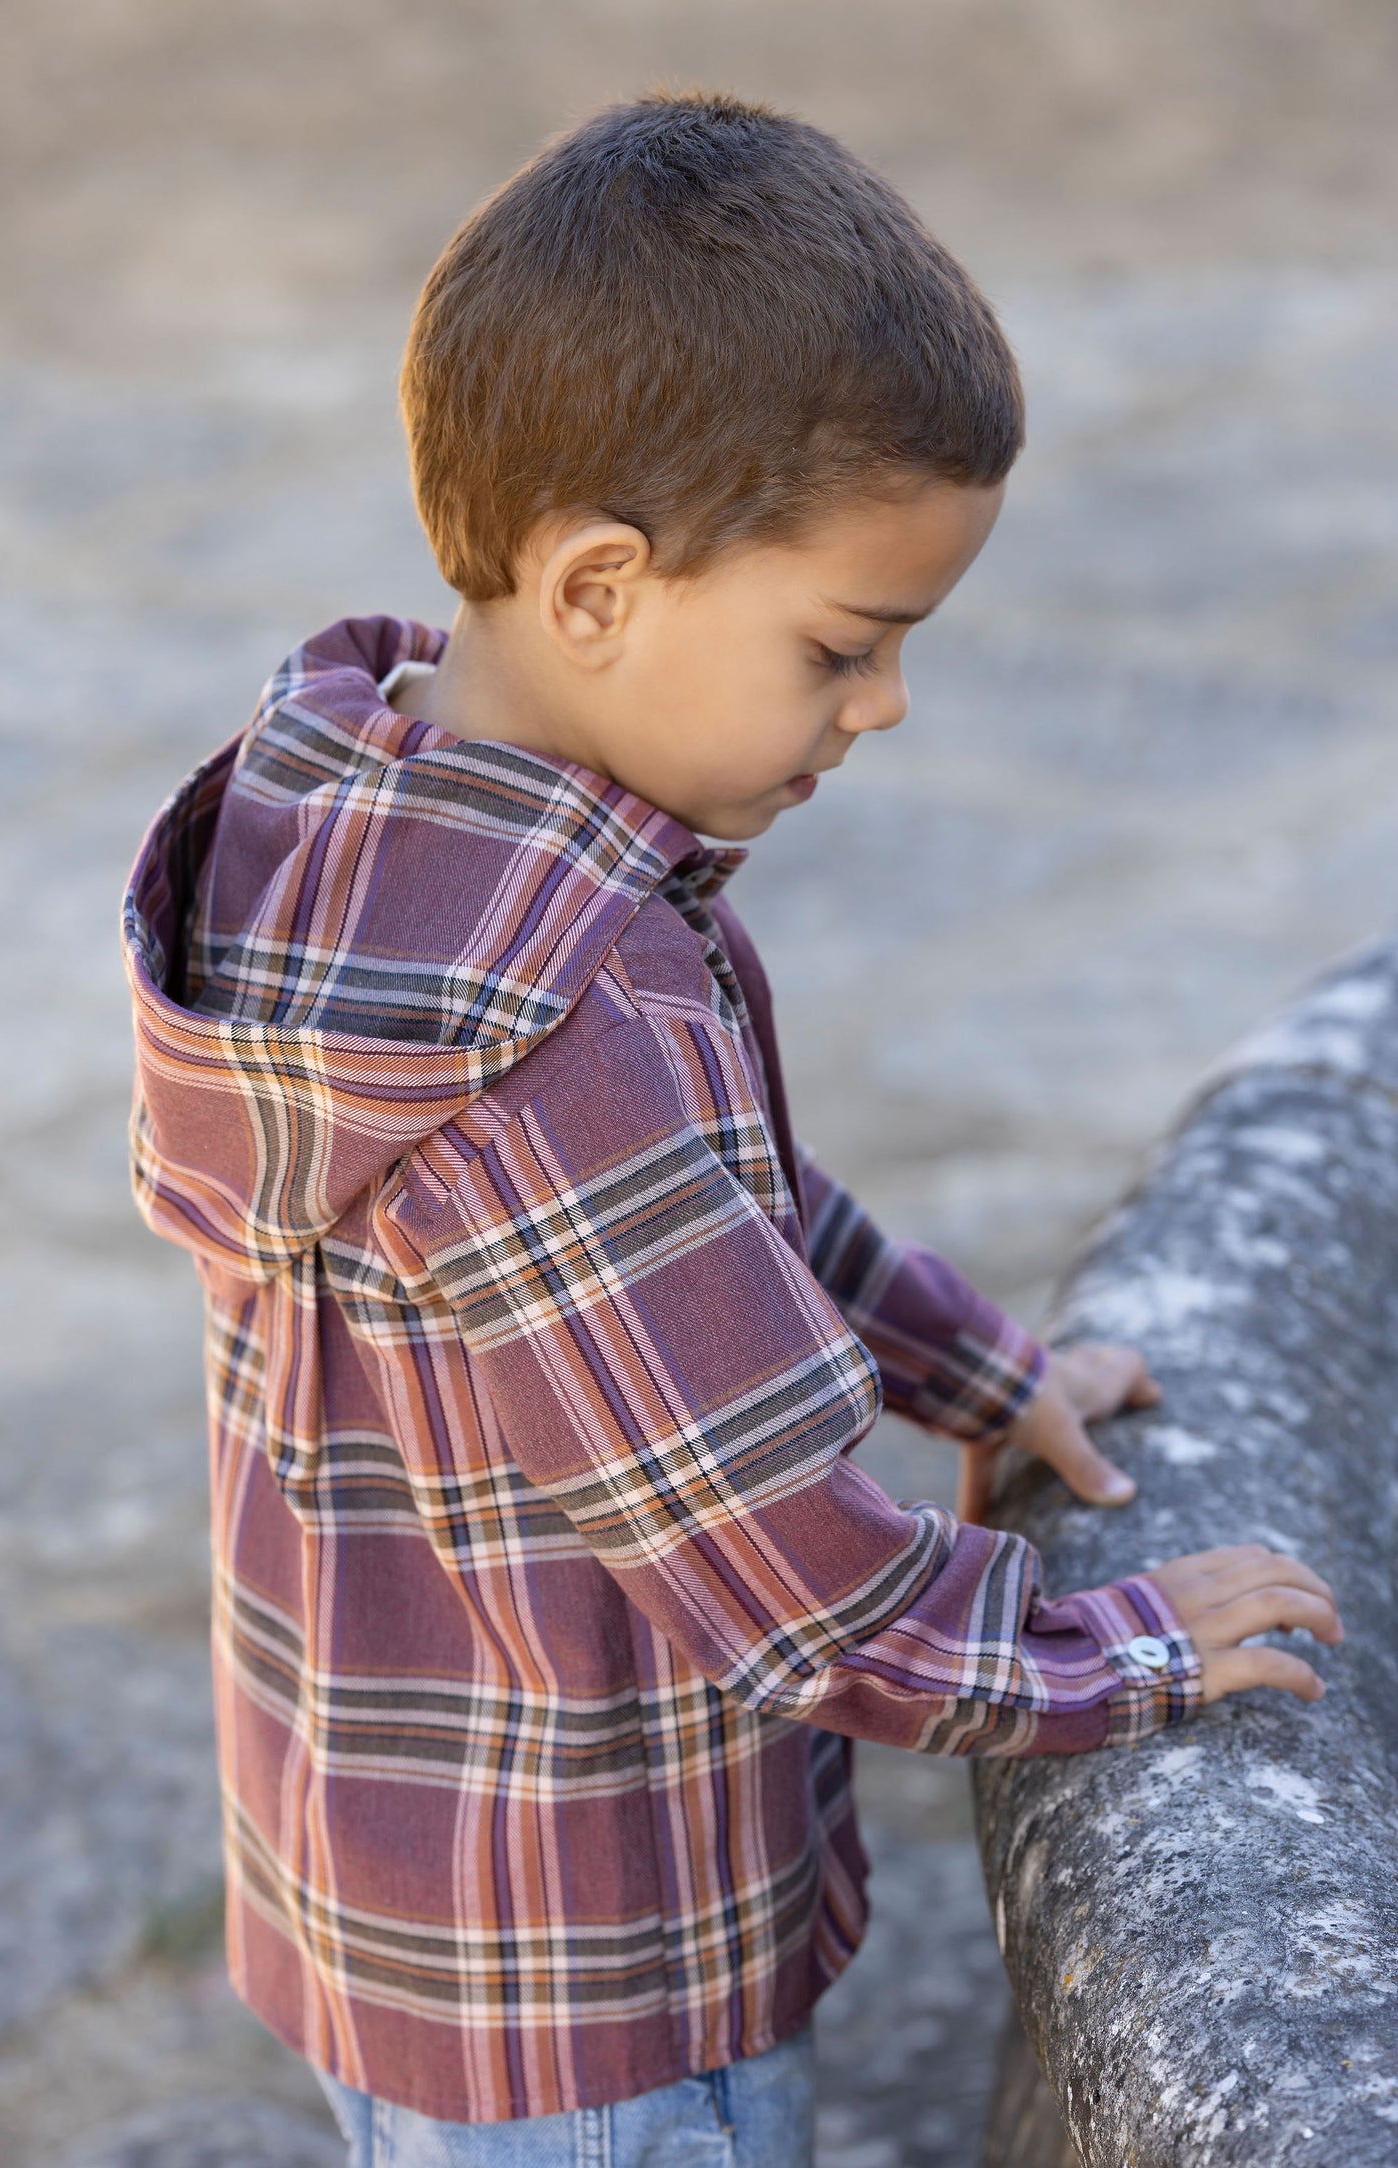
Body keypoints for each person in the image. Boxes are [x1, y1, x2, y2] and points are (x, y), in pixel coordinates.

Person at [122, 88, 1343, 2168]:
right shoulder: (551, 1033)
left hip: (402, 1902)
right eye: (843, 647)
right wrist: (1118, 1648)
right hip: (589, 1994)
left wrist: (981, 1364)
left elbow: (719, 1230)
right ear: (599, 584)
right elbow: (803, 1596)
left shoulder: (370, 838)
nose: (879, 712)